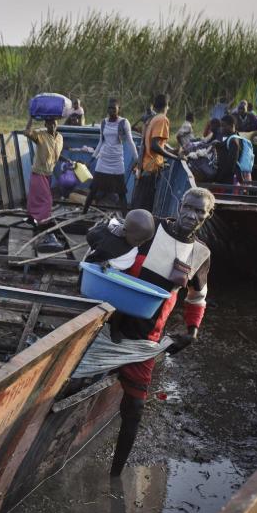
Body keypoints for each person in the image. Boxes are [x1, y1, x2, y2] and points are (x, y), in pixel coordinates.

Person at [108, 187, 215, 476]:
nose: (191, 215)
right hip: (109, 325)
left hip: (146, 339)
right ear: (180, 205)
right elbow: (110, 238)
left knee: (135, 410)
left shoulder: (200, 254)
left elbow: (197, 297)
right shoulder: (150, 227)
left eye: (199, 212)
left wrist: (192, 331)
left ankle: (115, 475)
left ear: (207, 216)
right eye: (188, 207)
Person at [85, 98, 137, 214]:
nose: (111, 110)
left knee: (121, 192)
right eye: (109, 107)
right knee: (93, 189)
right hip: (103, 160)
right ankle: (84, 212)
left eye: (114, 108)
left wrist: (137, 159)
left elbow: (130, 142)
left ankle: (125, 218)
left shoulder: (124, 123)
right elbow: (101, 142)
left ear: (119, 109)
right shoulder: (104, 122)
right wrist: (92, 159)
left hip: (117, 161)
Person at [131, 93, 179, 212]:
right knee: (145, 207)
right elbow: (154, 146)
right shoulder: (162, 119)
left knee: (139, 203)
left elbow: (152, 143)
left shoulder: (152, 119)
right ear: (166, 106)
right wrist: (174, 157)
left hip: (144, 166)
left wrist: (171, 151)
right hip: (151, 167)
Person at [23, 114, 64, 247]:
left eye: (54, 123)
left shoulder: (59, 137)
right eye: (49, 123)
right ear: (45, 125)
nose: (52, 125)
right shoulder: (40, 136)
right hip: (39, 173)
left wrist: (69, 161)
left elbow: (56, 153)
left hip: (49, 174)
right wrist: (31, 117)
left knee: (36, 199)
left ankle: (32, 219)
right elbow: (27, 132)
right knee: (47, 201)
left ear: (57, 123)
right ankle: (44, 229)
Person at [85, 209, 156, 270]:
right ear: (124, 231)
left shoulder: (133, 234)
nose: (141, 244)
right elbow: (90, 261)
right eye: (138, 240)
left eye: (145, 240)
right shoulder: (110, 245)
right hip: (105, 268)